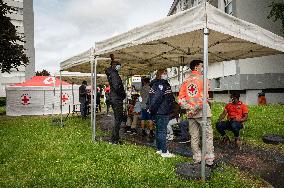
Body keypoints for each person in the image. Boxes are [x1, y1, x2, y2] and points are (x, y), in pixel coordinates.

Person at [178, 60, 214, 166]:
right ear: (197, 67)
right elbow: (204, 97)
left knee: (194, 136)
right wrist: (196, 108)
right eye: (202, 66)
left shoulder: (186, 80)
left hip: (190, 114)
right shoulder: (204, 79)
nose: (203, 68)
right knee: (207, 136)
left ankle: (197, 158)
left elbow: (180, 99)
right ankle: (209, 161)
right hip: (202, 113)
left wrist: (190, 108)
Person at [147, 69, 175, 158]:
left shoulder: (155, 84)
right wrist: (151, 109)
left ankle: (159, 149)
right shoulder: (161, 85)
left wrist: (151, 109)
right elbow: (156, 99)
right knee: (162, 131)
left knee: (159, 131)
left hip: (158, 111)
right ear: (161, 74)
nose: (167, 74)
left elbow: (152, 99)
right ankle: (164, 151)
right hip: (162, 111)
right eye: (165, 73)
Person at [105, 54, 126, 145]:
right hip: (117, 98)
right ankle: (114, 139)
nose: (119, 67)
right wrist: (123, 94)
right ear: (114, 66)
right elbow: (117, 87)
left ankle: (115, 138)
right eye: (118, 65)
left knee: (118, 119)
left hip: (114, 98)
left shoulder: (111, 73)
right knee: (118, 119)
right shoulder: (114, 74)